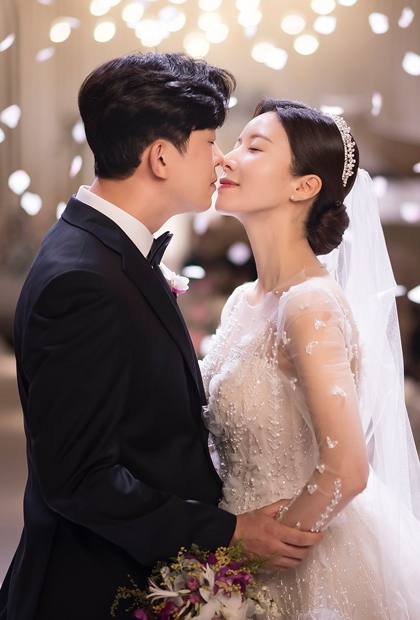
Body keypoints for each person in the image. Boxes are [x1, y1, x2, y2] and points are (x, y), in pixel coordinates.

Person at [0, 59, 323, 620]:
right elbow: (79, 478)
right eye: (210, 141)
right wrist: (228, 531)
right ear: (161, 157)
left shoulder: (105, 249)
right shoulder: (85, 279)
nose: (221, 158)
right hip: (92, 588)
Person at [201, 99, 420, 618]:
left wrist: (246, 565)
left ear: (304, 186)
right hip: (233, 531)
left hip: (299, 565)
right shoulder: (243, 300)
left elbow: (347, 469)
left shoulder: (309, 304)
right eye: (235, 142)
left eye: (254, 148)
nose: (226, 157)